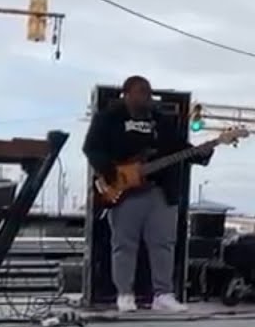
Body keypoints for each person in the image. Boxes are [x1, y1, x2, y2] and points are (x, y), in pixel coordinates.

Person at [83, 76, 212, 313]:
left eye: (149, 92)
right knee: (124, 244)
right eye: (141, 91)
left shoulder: (160, 121)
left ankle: (162, 294)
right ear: (127, 94)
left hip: (159, 190)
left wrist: (204, 151)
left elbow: (178, 148)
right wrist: (113, 174)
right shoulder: (109, 118)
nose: (147, 96)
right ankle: (124, 293)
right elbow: (91, 148)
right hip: (124, 190)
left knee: (163, 243)